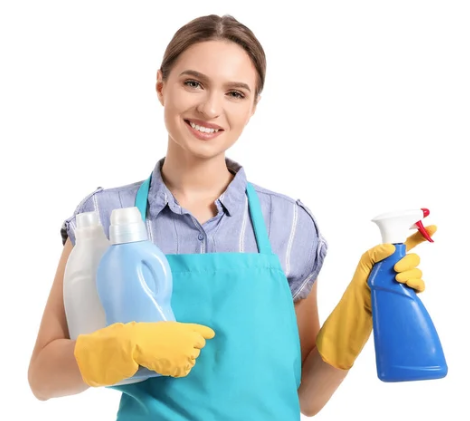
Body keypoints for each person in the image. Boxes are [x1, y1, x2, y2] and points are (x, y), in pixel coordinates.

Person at [27, 14, 435, 420]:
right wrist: (122, 348)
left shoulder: (289, 224)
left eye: (235, 93)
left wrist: (361, 307)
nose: (210, 108)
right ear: (161, 86)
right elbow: (42, 378)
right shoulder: (103, 217)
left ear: (253, 106)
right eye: (193, 83)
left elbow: (305, 397)